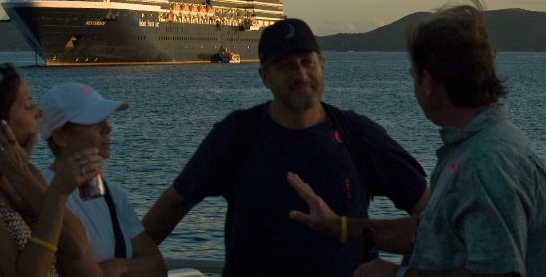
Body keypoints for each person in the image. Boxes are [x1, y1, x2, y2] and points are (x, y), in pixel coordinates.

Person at [287, 0, 546, 276]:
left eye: (413, 77)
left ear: (428, 83)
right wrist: (339, 226)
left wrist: (395, 275)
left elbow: (497, 273)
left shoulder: (487, 162)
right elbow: (434, 230)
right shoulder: (475, 148)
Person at [143, 18, 430, 277]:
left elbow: (432, 215)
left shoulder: (358, 134)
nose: (301, 74)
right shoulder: (238, 135)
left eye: (308, 62)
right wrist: (125, 262)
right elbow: (171, 207)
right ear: (265, 77)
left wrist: (405, 272)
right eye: (287, 66)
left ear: (323, 66)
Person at [0, 63, 103, 277]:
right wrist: (57, 194)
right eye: (28, 106)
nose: (39, 112)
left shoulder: (25, 173)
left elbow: (77, 246)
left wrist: (23, 177)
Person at [39, 82, 167, 277]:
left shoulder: (115, 196)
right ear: (60, 137)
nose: (108, 129)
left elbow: (157, 266)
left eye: (106, 119)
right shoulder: (42, 193)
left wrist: (119, 267)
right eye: (94, 122)